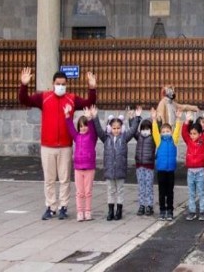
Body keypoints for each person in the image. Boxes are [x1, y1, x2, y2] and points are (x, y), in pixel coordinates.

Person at [18, 68, 97, 220]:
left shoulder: (72, 99)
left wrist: (92, 88)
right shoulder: (44, 97)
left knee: (64, 178)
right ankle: (50, 206)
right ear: (52, 84)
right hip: (47, 146)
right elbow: (24, 100)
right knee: (49, 179)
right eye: (58, 84)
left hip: (65, 146)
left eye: (63, 84)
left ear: (66, 85)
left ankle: (63, 207)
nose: (60, 86)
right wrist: (23, 85)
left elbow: (89, 103)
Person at [93, 105, 140, 221]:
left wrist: (137, 118)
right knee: (110, 190)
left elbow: (133, 130)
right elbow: (98, 130)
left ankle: (119, 210)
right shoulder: (106, 138)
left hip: (120, 169)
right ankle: (110, 210)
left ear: (121, 128)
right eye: (114, 128)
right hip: (109, 170)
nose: (116, 130)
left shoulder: (124, 138)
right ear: (110, 128)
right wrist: (95, 117)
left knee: (120, 190)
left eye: (118, 128)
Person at [64, 106, 98, 222]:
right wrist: (67, 116)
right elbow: (70, 128)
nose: (83, 128)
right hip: (78, 168)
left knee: (88, 192)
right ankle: (80, 212)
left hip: (89, 168)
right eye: (81, 126)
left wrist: (90, 118)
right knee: (79, 192)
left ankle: (88, 211)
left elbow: (93, 128)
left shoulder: (92, 136)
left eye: (85, 125)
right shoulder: (76, 136)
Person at [151, 108, 183, 221]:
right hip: (161, 170)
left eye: (167, 131)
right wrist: (154, 119)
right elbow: (154, 132)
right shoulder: (159, 141)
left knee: (170, 192)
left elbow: (177, 131)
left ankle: (170, 210)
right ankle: (162, 210)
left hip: (170, 170)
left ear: (171, 131)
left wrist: (179, 119)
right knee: (161, 191)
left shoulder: (174, 140)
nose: (166, 133)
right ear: (161, 133)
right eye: (163, 131)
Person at [182, 111, 204, 221]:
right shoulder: (189, 141)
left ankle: (203, 211)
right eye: (191, 133)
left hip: (200, 171)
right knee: (191, 193)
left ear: (200, 134)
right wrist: (186, 121)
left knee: (201, 192)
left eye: (195, 133)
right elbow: (184, 133)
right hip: (190, 171)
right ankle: (192, 211)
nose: (192, 135)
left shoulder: (203, 141)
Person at [133, 115, 155, 217]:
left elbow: (157, 131)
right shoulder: (139, 137)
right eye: (143, 129)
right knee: (141, 186)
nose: (145, 131)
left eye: (147, 129)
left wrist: (154, 120)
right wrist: (135, 119)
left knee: (149, 186)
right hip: (139, 166)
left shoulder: (153, 138)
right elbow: (133, 130)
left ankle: (149, 206)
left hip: (149, 166)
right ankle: (142, 205)